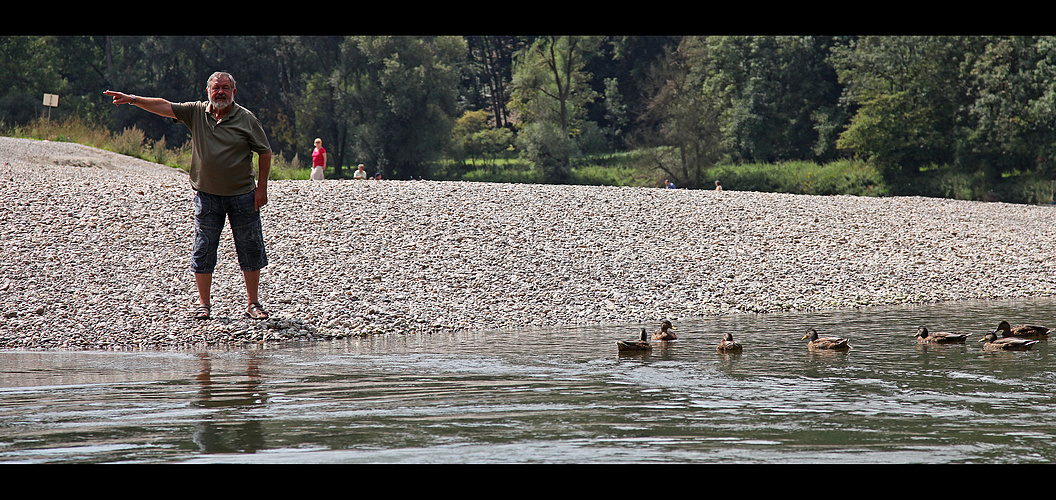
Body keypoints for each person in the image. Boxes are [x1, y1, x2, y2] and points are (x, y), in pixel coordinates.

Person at [104, 71, 273, 321]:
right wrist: (132, 99)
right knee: (203, 249)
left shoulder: (246, 118)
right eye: (216, 88)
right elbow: (164, 105)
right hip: (207, 196)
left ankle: (253, 304)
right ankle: (204, 305)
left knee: (249, 249)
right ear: (208, 91)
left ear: (234, 92)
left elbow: (265, 152)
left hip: (243, 195)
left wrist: (262, 188)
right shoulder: (196, 112)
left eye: (226, 88)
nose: (221, 93)